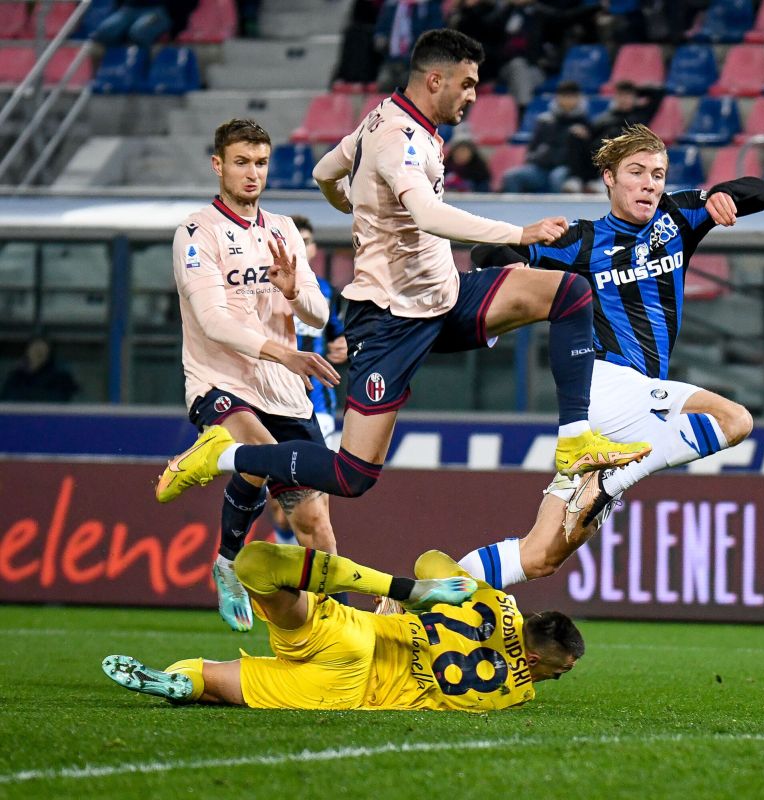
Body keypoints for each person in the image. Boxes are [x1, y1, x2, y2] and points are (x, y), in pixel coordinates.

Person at [155, 31, 650, 511]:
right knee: (352, 476)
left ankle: (574, 439)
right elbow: (430, 217)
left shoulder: (381, 120)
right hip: (389, 319)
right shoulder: (398, 137)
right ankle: (224, 455)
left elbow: (324, 171)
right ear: (435, 80)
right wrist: (520, 234)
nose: (474, 96)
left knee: (570, 294)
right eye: (468, 83)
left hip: (446, 297)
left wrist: (354, 205)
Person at [457, 124, 764, 589]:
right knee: (734, 421)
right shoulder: (580, 241)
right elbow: (487, 249)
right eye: (636, 172)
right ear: (608, 178)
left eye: (658, 174)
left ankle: (414, 598)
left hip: (625, 407)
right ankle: (610, 481)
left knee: (538, 556)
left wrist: (723, 194)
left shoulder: (679, 216)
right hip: (607, 383)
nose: (649, 183)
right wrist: (508, 264)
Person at [169, 118, 343, 633]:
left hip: (286, 394)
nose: (252, 173)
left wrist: (293, 290)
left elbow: (316, 313)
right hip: (220, 382)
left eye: (261, 163)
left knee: (317, 529)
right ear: (218, 165)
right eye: (241, 162)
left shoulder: (284, 230)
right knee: (259, 447)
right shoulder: (197, 233)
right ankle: (227, 562)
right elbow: (212, 321)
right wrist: (284, 354)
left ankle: (326, 634)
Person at [101, 541, 582, 711]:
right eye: (558, 673)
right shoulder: (516, 694)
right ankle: (182, 681)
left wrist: (465, 589)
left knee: (264, 572)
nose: (552, 680)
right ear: (536, 659)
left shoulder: (495, 603)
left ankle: (252, 576)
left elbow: (430, 559)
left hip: (355, 631)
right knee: (209, 681)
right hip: (347, 691)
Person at [266, 215, 348, 548]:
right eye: (296, 239)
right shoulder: (264, 287)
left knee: (317, 497)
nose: (304, 246)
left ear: (312, 249)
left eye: (308, 241)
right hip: (274, 403)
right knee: (280, 503)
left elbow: (340, 342)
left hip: (319, 409)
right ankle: (286, 553)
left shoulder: (325, 293)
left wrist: (341, 348)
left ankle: (312, 582)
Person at [501, 80, 595, 194]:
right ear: (558, 97)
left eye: (572, 96)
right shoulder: (544, 121)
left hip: (566, 168)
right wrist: (534, 158)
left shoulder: (585, 124)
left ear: (579, 98)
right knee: (512, 177)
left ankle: (558, 212)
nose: (568, 100)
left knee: (556, 178)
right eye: (564, 96)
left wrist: (585, 139)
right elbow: (532, 147)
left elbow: (589, 155)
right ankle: (513, 211)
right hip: (540, 167)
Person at [0, 336, 80, 403]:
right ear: (27, 352)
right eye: (35, 351)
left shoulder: (60, 376)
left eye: (41, 353)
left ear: (48, 354)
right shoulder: (16, 376)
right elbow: (7, 398)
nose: (37, 355)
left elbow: (64, 398)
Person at [91, 0, 198, 49]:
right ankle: (114, 71)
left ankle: (135, 70)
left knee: (139, 32)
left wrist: (176, 24)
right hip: (128, 9)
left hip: (157, 11)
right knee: (106, 32)